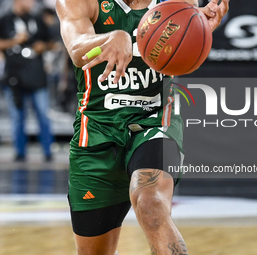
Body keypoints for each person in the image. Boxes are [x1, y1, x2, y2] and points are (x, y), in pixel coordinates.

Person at [56, 0, 229, 254]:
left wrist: (198, 24)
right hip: (96, 132)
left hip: (154, 119)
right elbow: (76, 49)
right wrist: (108, 39)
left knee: (150, 205)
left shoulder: (181, 2)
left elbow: (185, 37)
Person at [0, 0, 53, 162]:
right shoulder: (3, 19)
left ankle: (47, 151)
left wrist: (43, 46)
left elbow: (52, 43)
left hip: (36, 75)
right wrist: (15, 41)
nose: (32, 3)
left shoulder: (37, 19)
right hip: (14, 76)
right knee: (17, 116)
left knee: (43, 115)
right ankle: (20, 152)